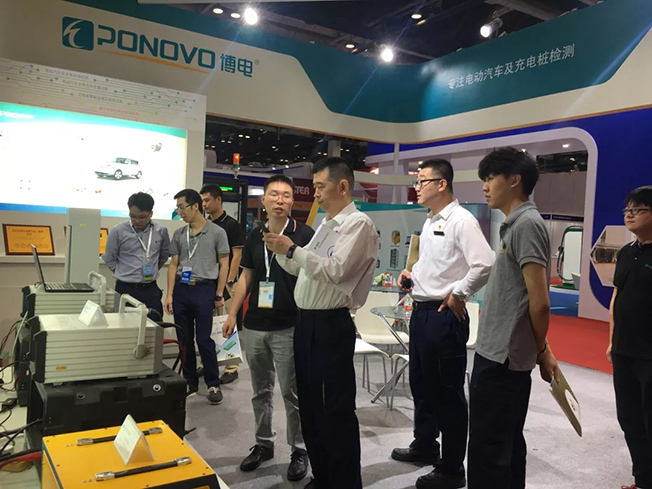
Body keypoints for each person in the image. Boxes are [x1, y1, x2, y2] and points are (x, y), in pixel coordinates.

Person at [263, 157, 379, 489]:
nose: (314, 194)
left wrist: (292, 250)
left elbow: (336, 270)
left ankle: (344, 482)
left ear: (342, 186)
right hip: (307, 325)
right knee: (312, 408)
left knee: (335, 409)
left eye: (319, 187)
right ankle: (324, 476)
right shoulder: (326, 225)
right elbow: (302, 268)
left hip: (331, 325)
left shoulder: (359, 225)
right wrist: (281, 249)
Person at [391, 159, 494, 489]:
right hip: (422, 312)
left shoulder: (461, 221)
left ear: (442, 184)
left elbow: (485, 263)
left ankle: (452, 468)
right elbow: (433, 263)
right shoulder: (431, 219)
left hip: (443, 316)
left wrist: (458, 293)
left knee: (447, 393)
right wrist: (412, 274)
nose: (417, 187)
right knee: (421, 385)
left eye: (422, 181)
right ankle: (425, 443)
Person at [468, 147, 559, 489]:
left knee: (490, 449)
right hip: (496, 352)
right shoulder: (516, 224)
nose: (485, 186)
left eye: (491, 178)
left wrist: (541, 350)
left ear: (514, 180)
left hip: (503, 359)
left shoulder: (527, 225)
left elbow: (540, 302)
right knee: (502, 443)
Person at [222, 175, 315, 481]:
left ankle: (299, 449)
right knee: (260, 390)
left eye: (286, 195)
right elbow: (246, 277)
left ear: (293, 202)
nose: (279, 200)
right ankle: (264, 444)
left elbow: (315, 275)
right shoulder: (254, 235)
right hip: (255, 325)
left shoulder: (304, 234)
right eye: (274, 194)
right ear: (263, 200)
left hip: (289, 324)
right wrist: (232, 314)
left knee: (291, 391)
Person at [164, 189, 230, 405]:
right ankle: (189, 381)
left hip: (204, 289)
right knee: (184, 338)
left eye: (182, 207)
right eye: (177, 208)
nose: (179, 212)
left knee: (204, 339)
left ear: (195, 206)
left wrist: (219, 292)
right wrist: (170, 294)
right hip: (182, 290)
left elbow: (224, 264)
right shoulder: (179, 234)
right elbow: (173, 264)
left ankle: (213, 383)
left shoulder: (217, 232)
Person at [607, 186, 652, 489]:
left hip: (650, 354)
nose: (630, 215)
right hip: (624, 351)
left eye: (638, 209)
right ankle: (643, 480)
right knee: (630, 420)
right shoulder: (625, 252)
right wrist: (612, 340)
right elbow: (616, 298)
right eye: (627, 210)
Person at [200, 184, 246, 385]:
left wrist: (229, 280)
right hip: (207, 281)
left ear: (218, 200)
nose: (204, 204)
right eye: (202, 201)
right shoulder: (204, 224)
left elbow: (237, 255)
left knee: (226, 323)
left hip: (226, 283)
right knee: (206, 324)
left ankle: (231, 367)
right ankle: (205, 362)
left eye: (207, 200)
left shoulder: (232, 225)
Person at [103, 192, 170, 319]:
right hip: (125, 288)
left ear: (151, 214)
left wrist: (152, 270)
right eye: (133, 216)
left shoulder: (161, 231)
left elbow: (163, 256)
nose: (137, 221)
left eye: (142, 217)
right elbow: (109, 258)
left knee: (154, 324)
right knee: (124, 325)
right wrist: (124, 272)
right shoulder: (118, 231)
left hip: (150, 289)